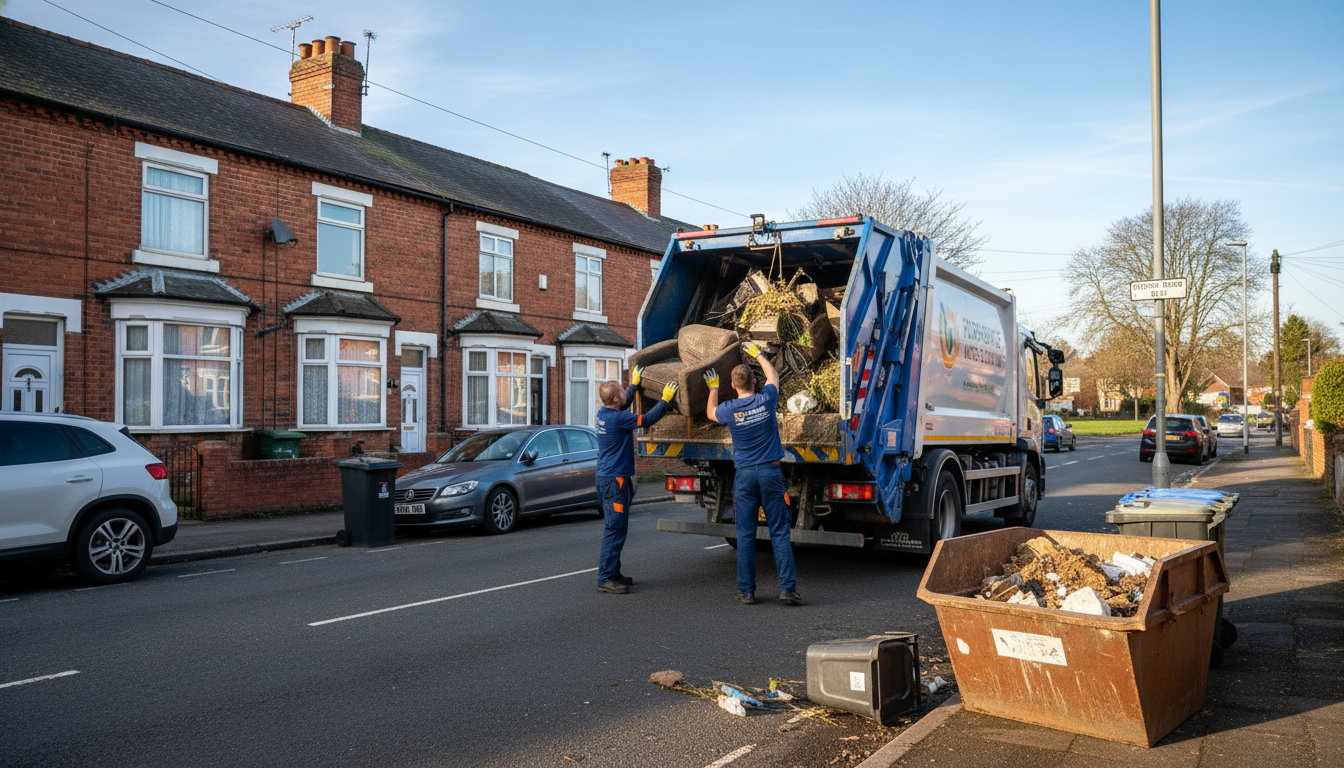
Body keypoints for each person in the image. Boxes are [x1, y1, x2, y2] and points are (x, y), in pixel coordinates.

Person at [704, 342, 804, 606]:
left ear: (733, 386)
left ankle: (747, 591)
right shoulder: (766, 399)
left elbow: (710, 413)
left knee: (746, 534)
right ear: (755, 382)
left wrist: (713, 388)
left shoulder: (729, 409)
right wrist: (758, 353)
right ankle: (787, 590)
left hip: (745, 477)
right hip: (771, 473)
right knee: (780, 532)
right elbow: (774, 376)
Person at [594, 366, 678, 594]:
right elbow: (648, 418)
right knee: (614, 529)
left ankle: (614, 572)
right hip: (615, 481)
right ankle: (605, 578)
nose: (625, 393)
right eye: (622, 391)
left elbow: (623, 402)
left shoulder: (604, 413)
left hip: (608, 477)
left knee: (617, 528)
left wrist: (633, 385)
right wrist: (666, 400)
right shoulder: (618, 419)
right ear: (614, 399)